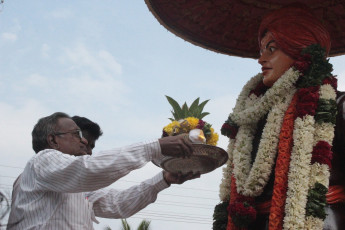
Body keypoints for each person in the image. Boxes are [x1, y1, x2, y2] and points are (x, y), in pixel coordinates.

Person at [214, 5, 345, 230]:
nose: (261, 59)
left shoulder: (337, 104)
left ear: (302, 52)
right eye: (261, 50)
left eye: (271, 49)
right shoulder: (252, 114)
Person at [7, 112, 200, 229]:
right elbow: (88, 169)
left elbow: (118, 204)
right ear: (53, 140)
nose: (84, 144)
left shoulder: (79, 188)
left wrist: (164, 178)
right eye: (77, 136)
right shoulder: (42, 161)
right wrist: (154, 147)